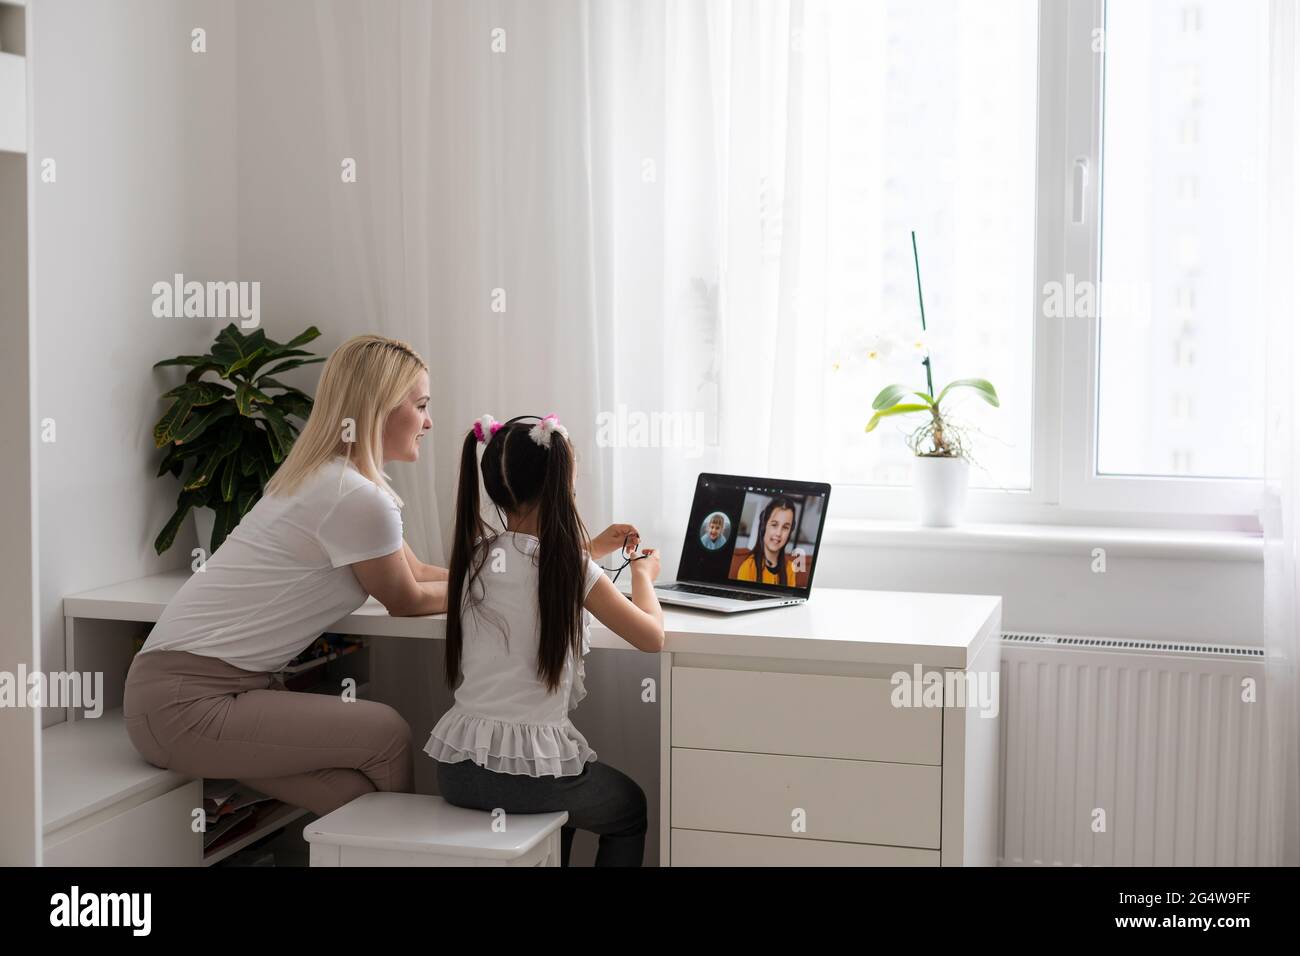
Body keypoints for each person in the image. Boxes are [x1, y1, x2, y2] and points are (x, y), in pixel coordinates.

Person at [123, 334, 448, 816]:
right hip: (187, 704)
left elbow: (416, 571)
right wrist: (513, 585)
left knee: (354, 801)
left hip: (179, 697)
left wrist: (515, 569)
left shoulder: (330, 479)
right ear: (379, 407)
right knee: (387, 733)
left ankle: (381, 851)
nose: (428, 422)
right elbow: (407, 598)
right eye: (420, 405)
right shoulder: (355, 496)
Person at [426, 412, 665, 866]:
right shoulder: (570, 569)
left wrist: (591, 550)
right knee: (630, 806)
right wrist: (642, 575)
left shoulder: (475, 558)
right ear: (560, 489)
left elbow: (528, 569)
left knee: (567, 809)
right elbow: (651, 636)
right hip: (526, 779)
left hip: (456, 770)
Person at [734, 495, 800, 586]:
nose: (778, 533)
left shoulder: (790, 569)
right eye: (774, 525)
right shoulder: (748, 567)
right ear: (764, 527)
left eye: (785, 527)